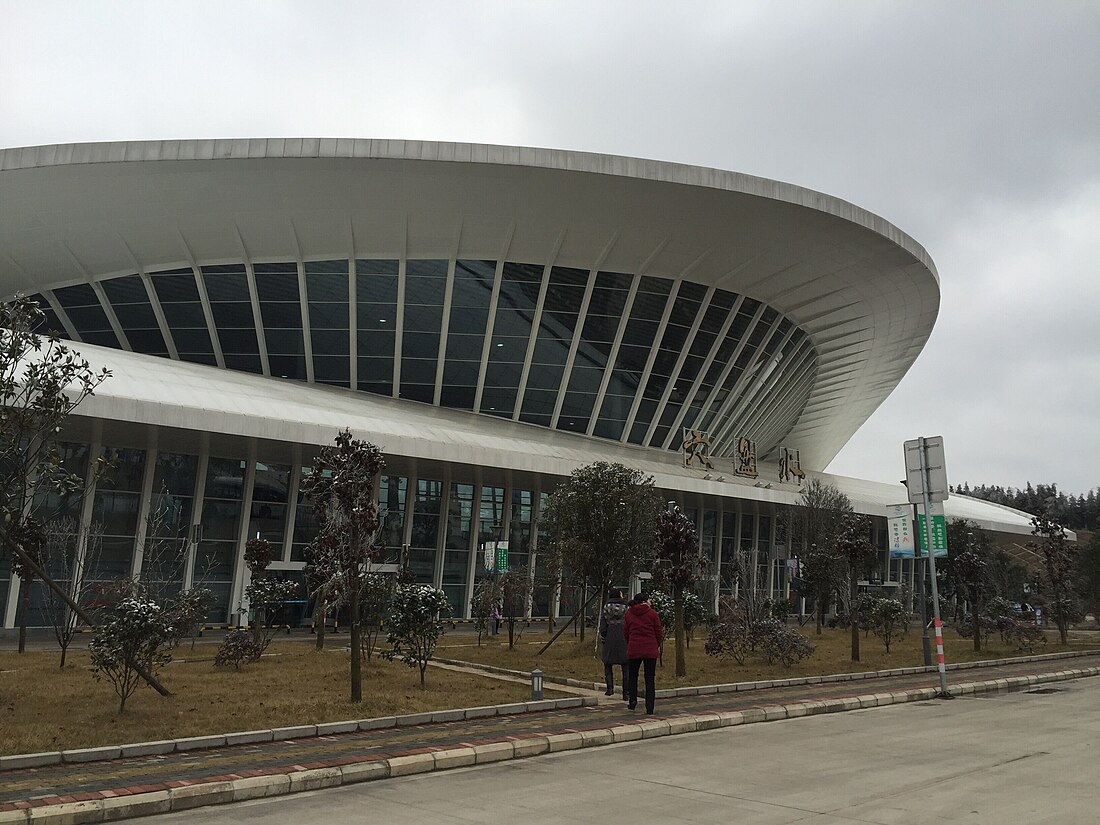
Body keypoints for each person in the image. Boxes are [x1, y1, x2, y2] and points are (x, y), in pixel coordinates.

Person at [623, 592, 664, 714]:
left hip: (634, 648)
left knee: (633, 676)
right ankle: (650, 707)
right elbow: (658, 631)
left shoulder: (629, 614)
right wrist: (656, 645)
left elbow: (626, 631)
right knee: (649, 678)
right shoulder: (652, 614)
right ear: (645, 601)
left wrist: (630, 642)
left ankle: (632, 701)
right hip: (650, 649)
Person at [599, 590, 628, 697]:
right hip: (623, 638)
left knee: (607, 663)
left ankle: (610, 689)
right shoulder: (626, 608)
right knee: (626, 666)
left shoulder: (606, 608)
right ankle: (626, 693)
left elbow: (603, 626)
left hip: (610, 637)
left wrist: (604, 636)